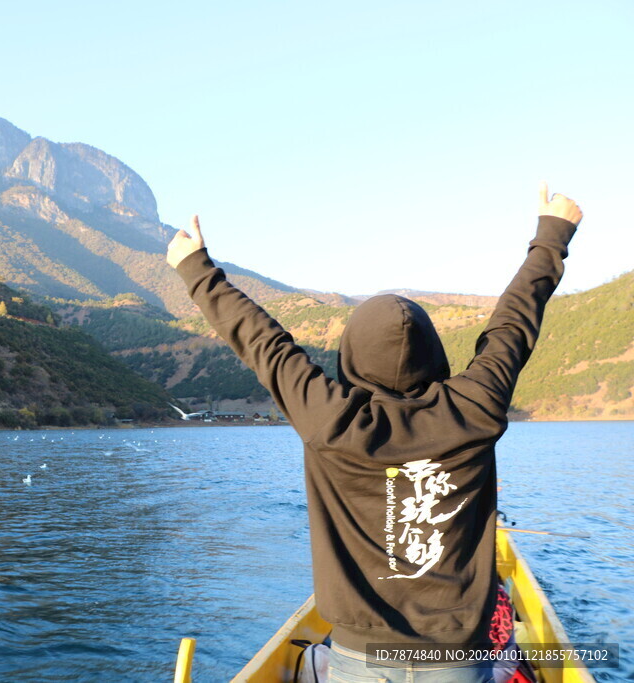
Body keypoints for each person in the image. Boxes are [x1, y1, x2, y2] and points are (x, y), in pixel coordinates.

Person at [166, 183, 582, 682]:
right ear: (434, 354)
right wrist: (552, 235)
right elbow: (513, 326)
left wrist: (196, 268)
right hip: (456, 661)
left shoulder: (330, 419)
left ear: (351, 358)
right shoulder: (473, 408)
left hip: (359, 660)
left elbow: (265, 344)